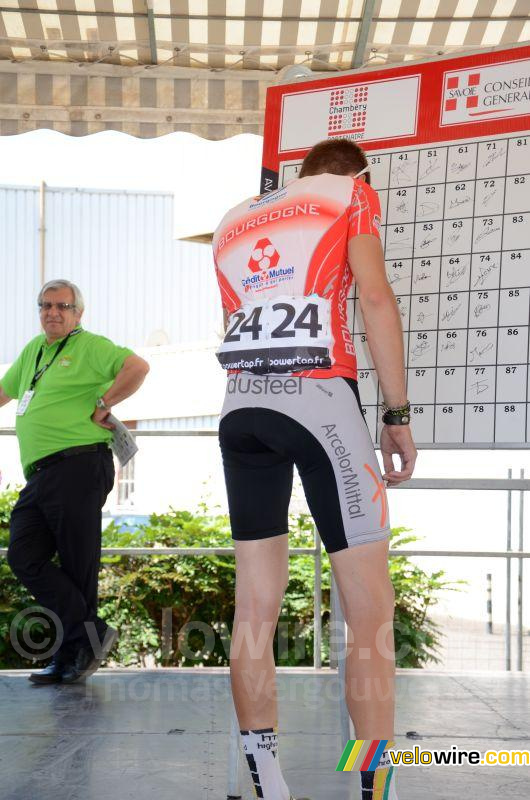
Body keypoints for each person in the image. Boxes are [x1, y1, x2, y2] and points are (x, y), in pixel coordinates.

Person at [212, 139, 417, 800]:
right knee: (370, 607)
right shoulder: (349, 197)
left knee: (255, 606)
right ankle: (374, 787)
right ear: (359, 175)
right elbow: (376, 302)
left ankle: (269, 784)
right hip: (321, 402)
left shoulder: (235, 219)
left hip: (241, 411)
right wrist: (397, 413)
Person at [0, 279, 149, 684]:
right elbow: (4, 391)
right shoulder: (34, 350)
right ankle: (88, 638)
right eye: (45, 305)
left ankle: (72, 658)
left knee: (77, 564)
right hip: (41, 474)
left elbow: (137, 367)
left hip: (79, 465)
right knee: (23, 555)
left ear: (77, 313)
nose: (53, 312)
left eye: (62, 306)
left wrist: (106, 403)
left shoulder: (89, 345)